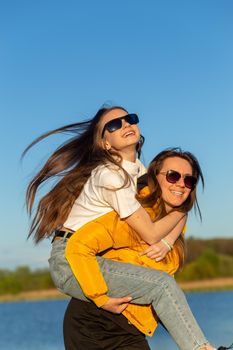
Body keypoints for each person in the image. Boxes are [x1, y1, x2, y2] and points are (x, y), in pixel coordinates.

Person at [24, 105, 231, 350]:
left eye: (129, 119)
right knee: (162, 284)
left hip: (102, 284)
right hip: (71, 257)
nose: (125, 125)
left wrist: (167, 240)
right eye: (114, 124)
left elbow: (175, 209)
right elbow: (152, 232)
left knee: (160, 284)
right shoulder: (111, 176)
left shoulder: (139, 173)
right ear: (105, 144)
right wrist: (100, 299)